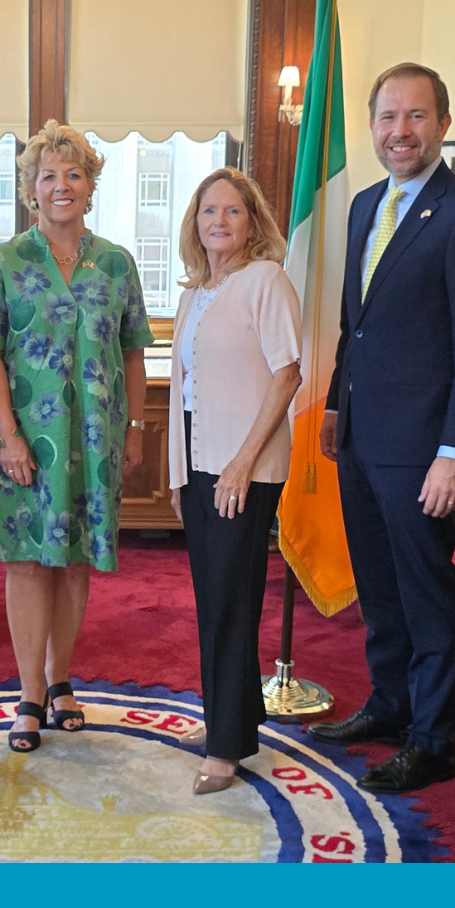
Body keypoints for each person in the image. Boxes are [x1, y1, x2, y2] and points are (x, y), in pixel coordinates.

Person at [307, 63, 455, 795]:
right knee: (379, 585)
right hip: (362, 436)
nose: (400, 132)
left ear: (443, 125)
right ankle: (390, 705)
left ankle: (432, 741)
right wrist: (337, 404)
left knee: (427, 593)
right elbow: (355, 323)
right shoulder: (367, 205)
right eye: (388, 117)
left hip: (424, 448)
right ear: (372, 126)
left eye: (416, 116)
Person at [0, 120, 154, 754]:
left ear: (91, 185)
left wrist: (134, 429)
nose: (61, 185)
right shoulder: (3, 262)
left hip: (96, 438)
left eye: (74, 174)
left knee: (74, 560)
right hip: (23, 437)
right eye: (49, 175)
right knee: (26, 560)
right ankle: (27, 694)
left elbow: (133, 353)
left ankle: (60, 678)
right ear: (31, 188)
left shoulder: (117, 263)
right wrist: (9, 436)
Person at [166, 168, 301, 794]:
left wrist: (243, 462)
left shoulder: (265, 280)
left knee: (229, 599)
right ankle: (233, 718)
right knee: (216, 597)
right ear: (195, 223)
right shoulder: (195, 293)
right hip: (199, 462)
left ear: (253, 222)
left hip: (242, 466)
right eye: (208, 211)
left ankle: (226, 747)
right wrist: (177, 474)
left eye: (232, 211)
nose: (218, 221)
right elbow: (184, 391)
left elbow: (287, 374)